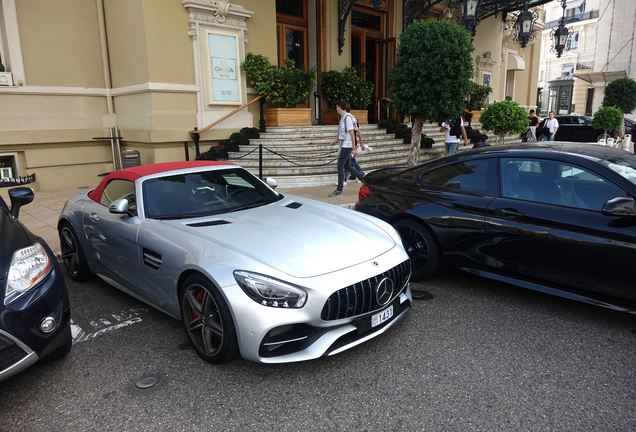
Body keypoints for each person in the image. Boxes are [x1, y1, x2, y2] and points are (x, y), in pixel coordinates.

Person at [329, 100, 363, 197]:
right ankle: (363, 179)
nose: (336, 109)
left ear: (340, 107)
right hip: (345, 145)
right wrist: (334, 141)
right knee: (348, 166)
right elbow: (343, 135)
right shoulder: (344, 117)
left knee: (340, 166)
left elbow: (352, 133)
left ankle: (339, 189)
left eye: (336, 107)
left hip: (347, 146)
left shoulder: (347, 118)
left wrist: (353, 147)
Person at [345, 108, 366, 183]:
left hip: (351, 144)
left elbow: (358, 133)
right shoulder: (346, 119)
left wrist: (361, 143)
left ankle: (361, 175)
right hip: (348, 144)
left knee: (350, 161)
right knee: (349, 161)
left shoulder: (351, 120)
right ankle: (354, 176)